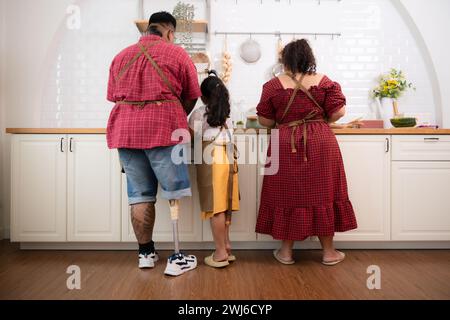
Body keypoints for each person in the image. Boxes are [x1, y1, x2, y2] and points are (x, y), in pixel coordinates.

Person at [106, 11, 201, 276]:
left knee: (139, 195)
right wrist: (175, 111)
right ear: (170, 32)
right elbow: (194, 94)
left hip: (126, 132)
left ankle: (145, 254)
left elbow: (114, 96)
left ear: (148, 29)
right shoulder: (177, 54)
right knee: (173, 193)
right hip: (165, 130)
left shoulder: (120, 56)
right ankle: (177, 256)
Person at [255, 39, 357, 266]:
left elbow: (264, 120)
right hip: (320, 140)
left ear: (285, 60)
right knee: (325, 192)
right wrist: (320, 121)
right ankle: (329, 253)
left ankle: (286, 252)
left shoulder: (273, 85)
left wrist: (285, 120)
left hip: (285, 141)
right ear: (309, 58)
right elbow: (339, 111)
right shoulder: (324, 82)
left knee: (286, 193)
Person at [188, 71, 240, 268]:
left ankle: (219, 253)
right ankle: (226, 245)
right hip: (229, 158)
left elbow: (187, 137)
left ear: (203, 96)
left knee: (215, 207)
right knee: (225, 204)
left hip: (212, 160)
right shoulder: (230, 111)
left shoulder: (200, 113)